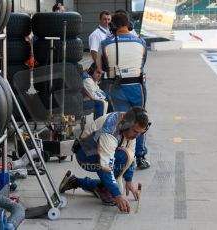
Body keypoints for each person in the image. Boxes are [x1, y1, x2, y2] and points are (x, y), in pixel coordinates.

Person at [59, 106, 151, 212]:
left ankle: (76, 182)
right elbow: (106, 167)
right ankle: (103, 188)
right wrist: (117, 195)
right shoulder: (110, 132)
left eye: (141, 133)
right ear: (127, 125)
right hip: (85, 154)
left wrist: (129, 180)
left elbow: (131, 153)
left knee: (122, 163)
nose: (137, 135)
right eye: (135, 131)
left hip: (100, 150)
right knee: (116, 187)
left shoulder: (129, 121)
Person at [97, 13, 150, 169]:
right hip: (137, 86)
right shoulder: (141, 42)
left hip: (116, 86)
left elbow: (102, 67)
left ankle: (116, 154)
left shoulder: (105, 43)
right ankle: (140, 157)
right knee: (140, 118)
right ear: (130, 25)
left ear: (112, 26)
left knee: (119, 120)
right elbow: (142, 62)